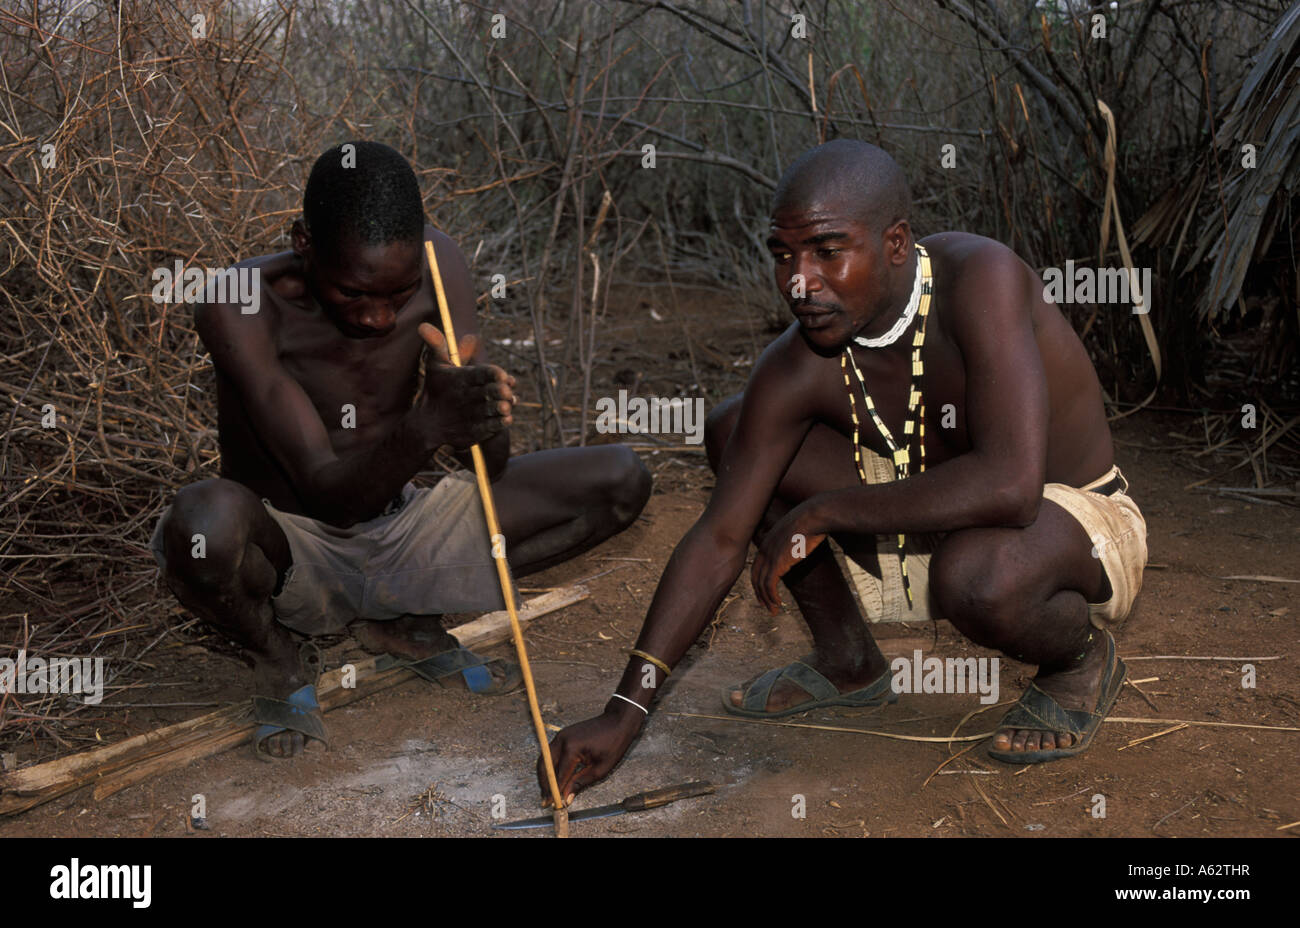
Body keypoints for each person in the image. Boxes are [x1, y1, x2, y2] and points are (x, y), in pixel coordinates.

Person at [540, 139, 1146, 804]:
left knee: (978, 576)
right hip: (934, 508)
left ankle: (1077, 663)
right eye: (783, 255)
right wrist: (625, 712)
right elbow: (719, 537)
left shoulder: (980, 280)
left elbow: (1010, 484)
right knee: (733, 429)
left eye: (827, 251)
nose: (800, 280)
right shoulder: (799, 361)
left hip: (1068, 517)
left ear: (894, 243)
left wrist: (824, 512)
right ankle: (849, 662)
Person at [152, 141, 651, 759]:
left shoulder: (439, 262)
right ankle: (278, 660)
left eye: (399, 293)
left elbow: (489, 466)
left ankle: (407, 622)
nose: (379, 318)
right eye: (353, 294)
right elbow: (324, 493)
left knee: (619, 478)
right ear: (303, 242)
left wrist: (478, 405)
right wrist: (427, 425)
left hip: (401, 521)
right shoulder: (241, 302)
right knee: (202, 523)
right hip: (292, 544)